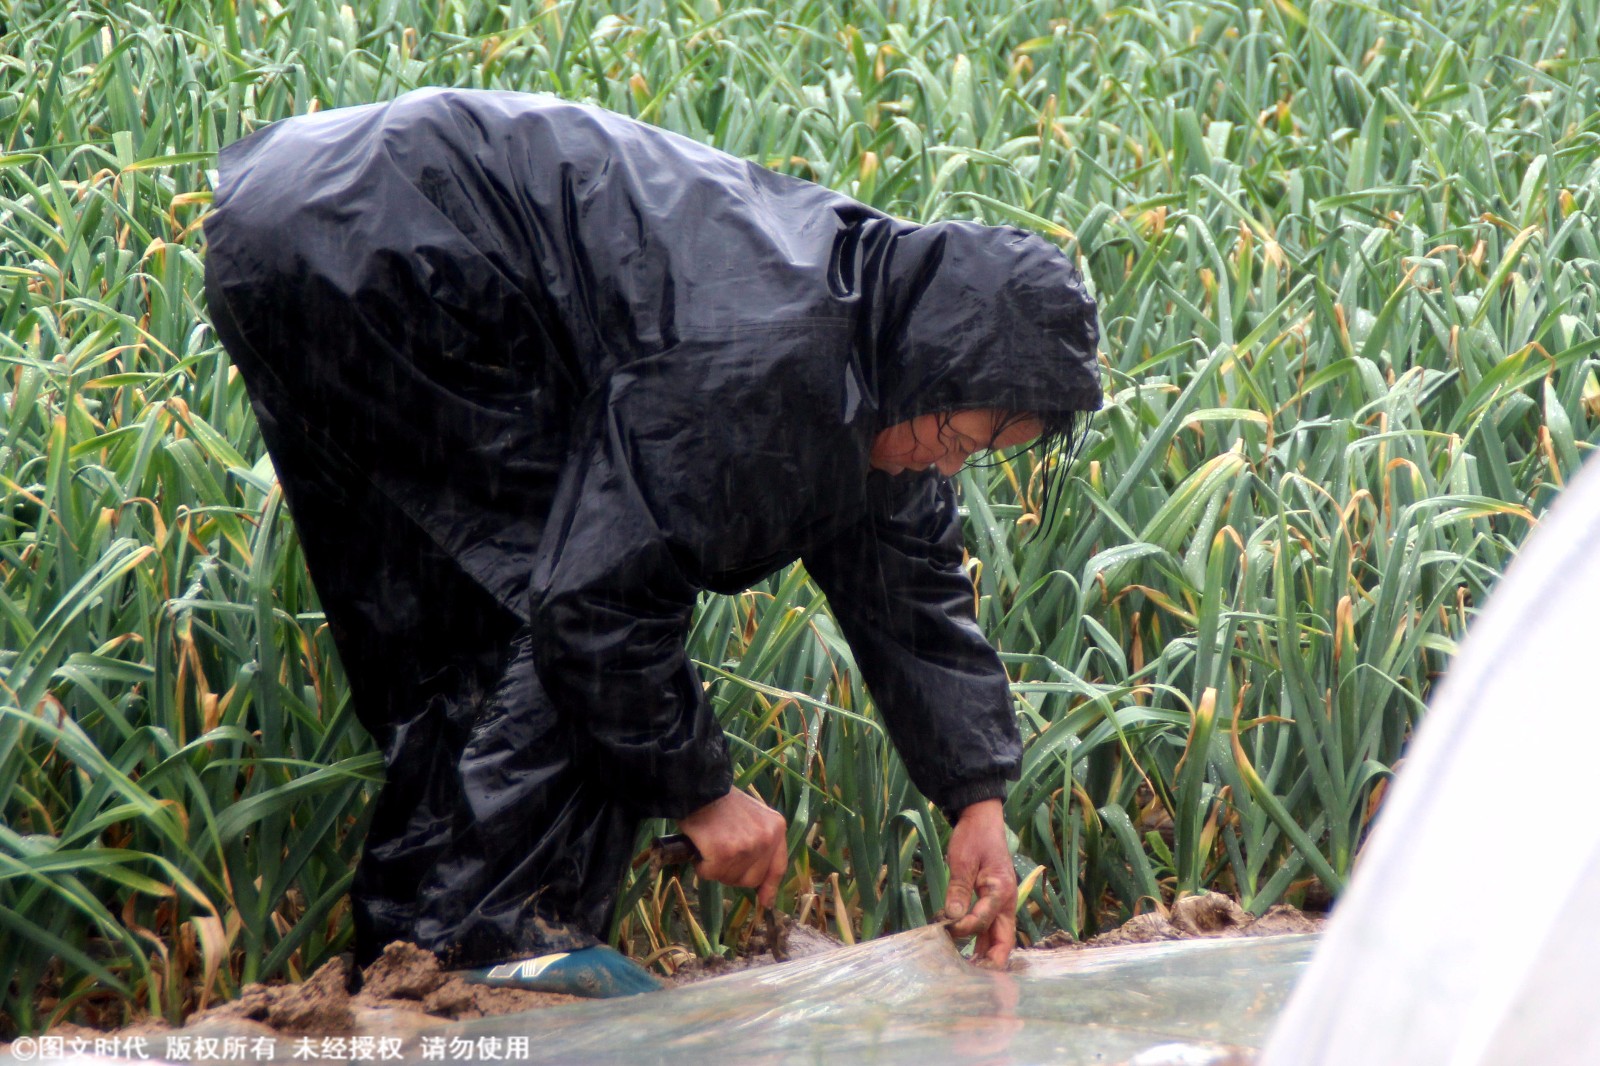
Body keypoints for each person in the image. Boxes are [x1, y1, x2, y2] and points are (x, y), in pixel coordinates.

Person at [203, 87, 1101, 988]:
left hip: (292, 217)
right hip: (392, 243)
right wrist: (703, 795)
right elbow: (593, 607)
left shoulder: (885, 359)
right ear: (937, 365)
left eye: (981, 454)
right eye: (962, 435)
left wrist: (976, 802)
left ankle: (411, 969)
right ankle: (483, 963)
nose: (949, 466)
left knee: (441, 638)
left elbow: (916, 603)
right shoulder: (767, 360)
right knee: (544, 615)